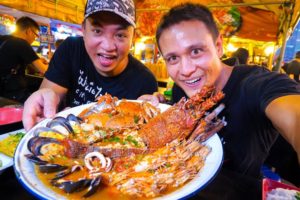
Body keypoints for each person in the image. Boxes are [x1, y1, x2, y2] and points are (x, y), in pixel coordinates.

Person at [138, 3, 300, 199]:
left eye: (196, 51)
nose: (186, 69)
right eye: (172, 58)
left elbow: (293, 113)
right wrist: (160, 104)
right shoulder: (182, 88)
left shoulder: (255, 84)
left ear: (219, 46)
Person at [22, 0, 158, 131]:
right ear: (84, 30)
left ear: (133, 38)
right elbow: (50, 97)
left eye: (120, 35)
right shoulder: (71, 50)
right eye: (97, 31)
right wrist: (44, 100)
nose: (108, 46)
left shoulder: (145, 81)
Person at [0, 16, 48, 102]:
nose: (34, 39)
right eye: (36, 35)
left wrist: (38, 60)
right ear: (29, 31)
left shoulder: (3, 39)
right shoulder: (21, 43)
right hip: (10, 93)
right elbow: (44, 70)